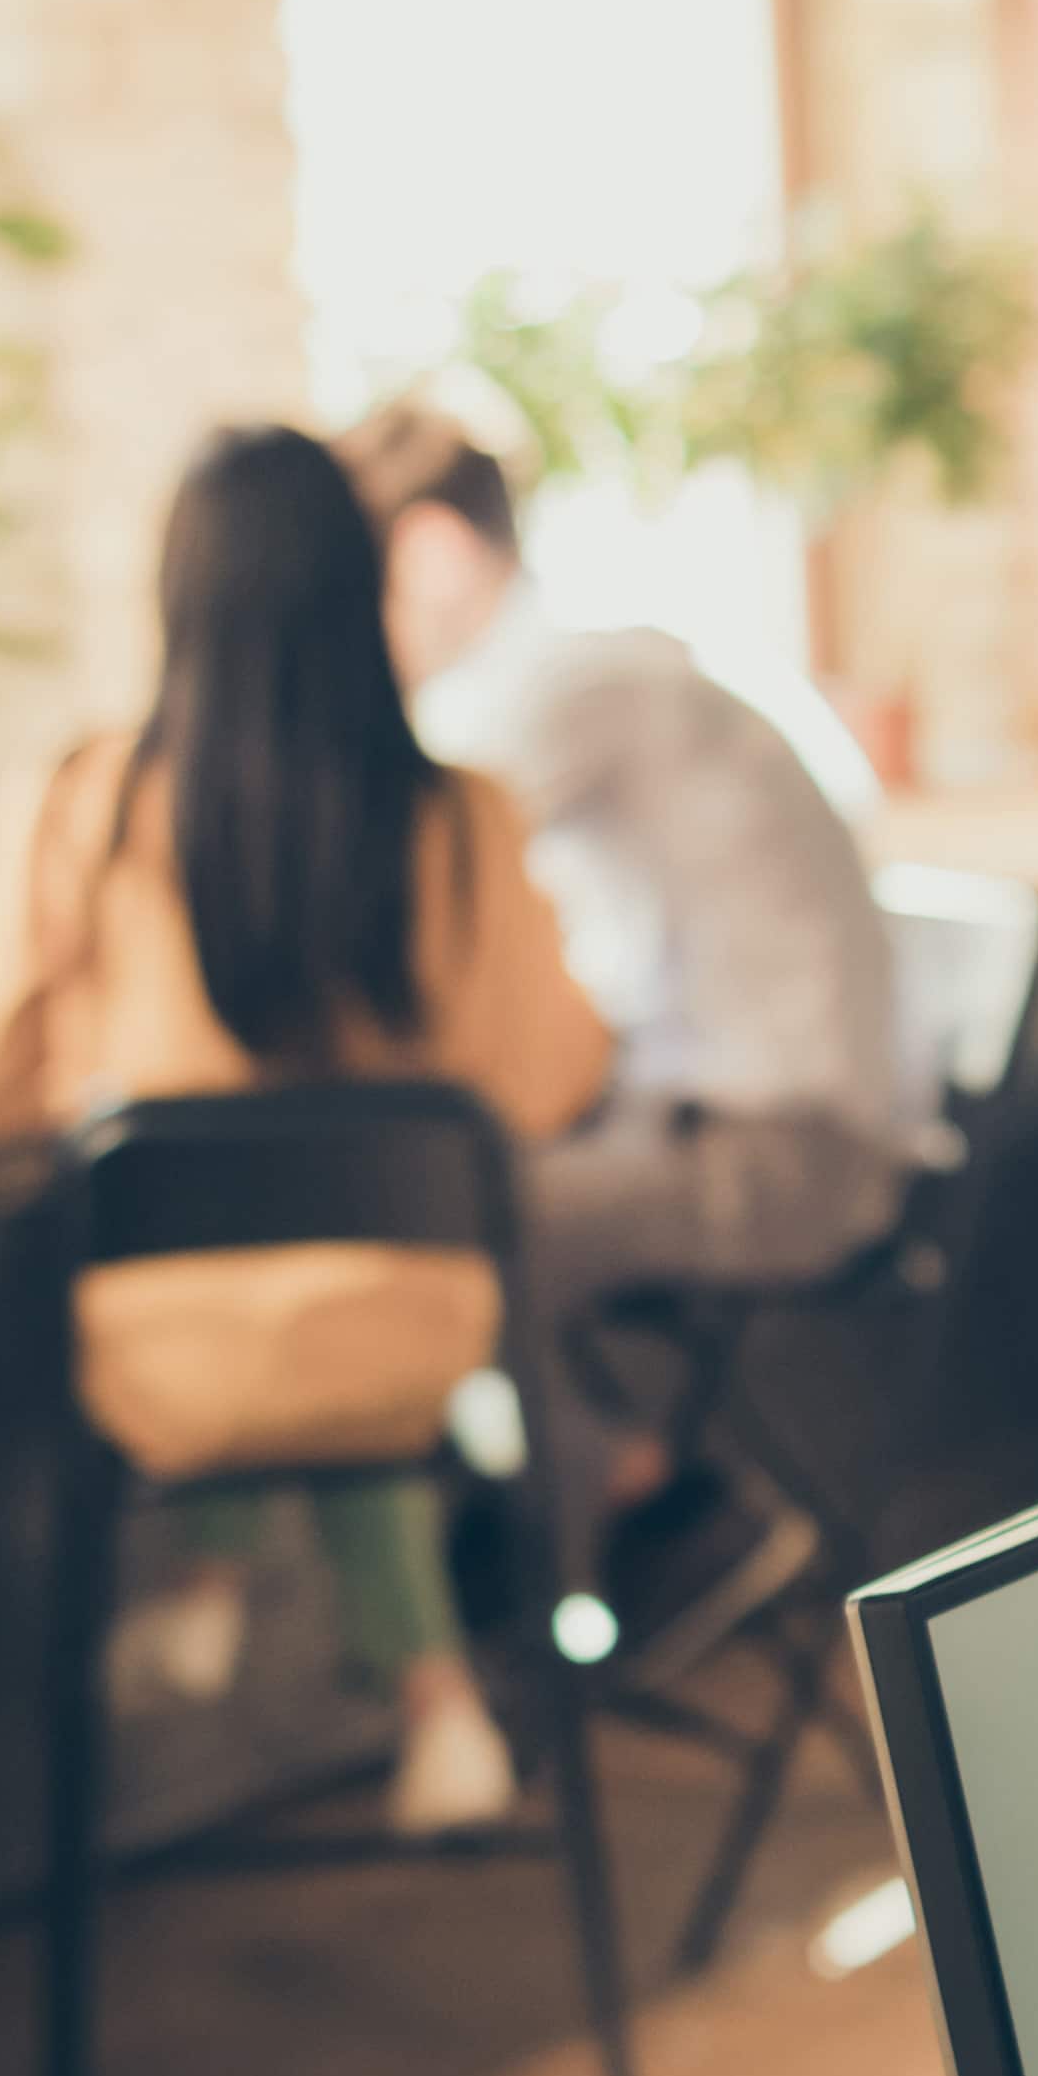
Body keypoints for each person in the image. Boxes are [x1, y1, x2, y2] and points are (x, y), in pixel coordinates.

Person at [0, 422, 616, 1837]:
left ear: (173, 599)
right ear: (360, 591)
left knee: (243, 1313)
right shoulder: (461, 821)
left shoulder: (89, 802)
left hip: (168, 1360)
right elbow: (546, 1081)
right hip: (413, 1340)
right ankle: (430, 1698)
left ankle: (209, 1579)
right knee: (342, 1319)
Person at [330, 401, 913, 1649]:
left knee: (454, 1233)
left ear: (431, 555)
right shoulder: (592, 669)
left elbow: (401, 872)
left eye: (362, 594)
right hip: (744, 1123)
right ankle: (645, 1505)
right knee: (453, 1211)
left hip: (787, 1151)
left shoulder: (557, 686)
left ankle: (652, 1512)